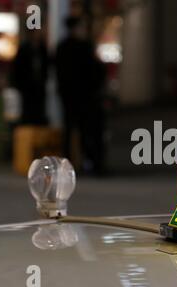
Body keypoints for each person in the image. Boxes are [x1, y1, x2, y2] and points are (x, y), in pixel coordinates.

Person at [56, 16, 107, 175]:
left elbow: (58, 72)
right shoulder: (85, 47)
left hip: (69, 97)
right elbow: (97, 71)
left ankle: (68, 164)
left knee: (70, 130)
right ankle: (90, 163)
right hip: (86, 97)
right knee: (88, 131)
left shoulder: (62, 48)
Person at [12, 29, 48, 125]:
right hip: (27, 87)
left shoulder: (42, 49)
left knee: (39, 109)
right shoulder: (24, 49)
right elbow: (18, 68)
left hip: (39, 86)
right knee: (28, 109)